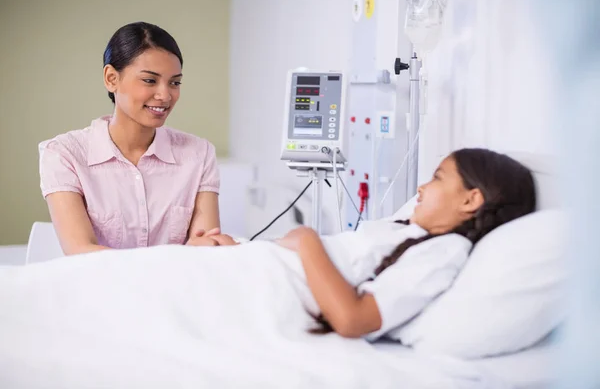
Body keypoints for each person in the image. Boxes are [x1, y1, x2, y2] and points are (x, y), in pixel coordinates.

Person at [25, 148, 535, 342]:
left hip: (261, 288)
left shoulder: (444, 253)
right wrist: (237, 247)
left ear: (471, 199)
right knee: (68, 291)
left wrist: (307, 240)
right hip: (249, 266)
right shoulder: (413, 227)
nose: (422, 185)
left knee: (70, 305)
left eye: (438, 178)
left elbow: (355, 320)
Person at [38, 22, 225, 256]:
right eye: (149, 80)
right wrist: (178, 256)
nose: (165, 95)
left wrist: (218, 245)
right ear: (111, 78)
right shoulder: (64, 154)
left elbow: (206, 252)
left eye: (175, 82)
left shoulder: (199, 154)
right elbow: (82, 253)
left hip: (175, 290)